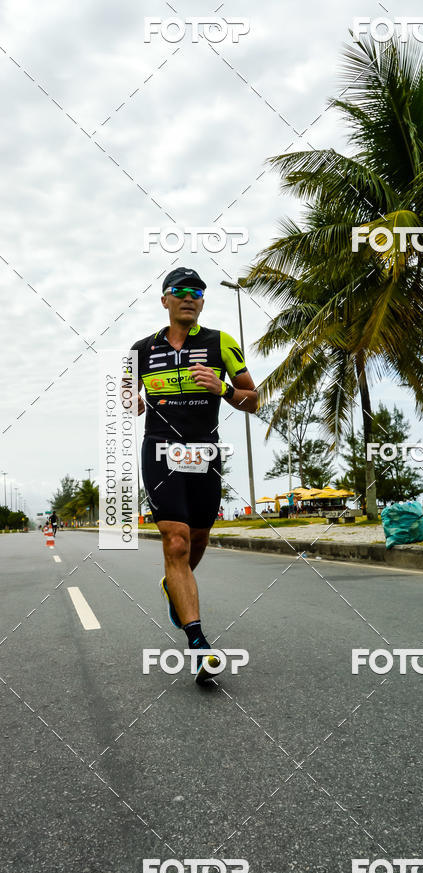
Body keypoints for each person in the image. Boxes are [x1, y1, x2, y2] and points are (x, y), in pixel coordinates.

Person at [132, 268, 258, 685]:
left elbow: (253, 400)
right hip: (160, 451)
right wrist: (128, 400)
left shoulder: (221, 343)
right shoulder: (141, 350)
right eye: (180, 290)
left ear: (202, 302)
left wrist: (224, 390)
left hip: (205, 451)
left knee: (199, 539)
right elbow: (121, 396)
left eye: (197, 292)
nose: (189, 296)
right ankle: (199, 644)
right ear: (164, 300)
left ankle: (173, 585)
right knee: (177, 540)